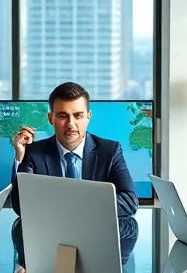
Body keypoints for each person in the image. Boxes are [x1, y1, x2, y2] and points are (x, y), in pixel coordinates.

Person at [9, 81, 139, 218]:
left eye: (78, 116)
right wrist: (20, 157)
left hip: (97, 234)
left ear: (88, 117)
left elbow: (129, 201)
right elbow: (20, 205)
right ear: (50, 118)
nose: (71, 124)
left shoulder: (110, 151)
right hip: (51, 234)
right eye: (62, 116)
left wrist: (76, 206)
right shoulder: (34, 153)